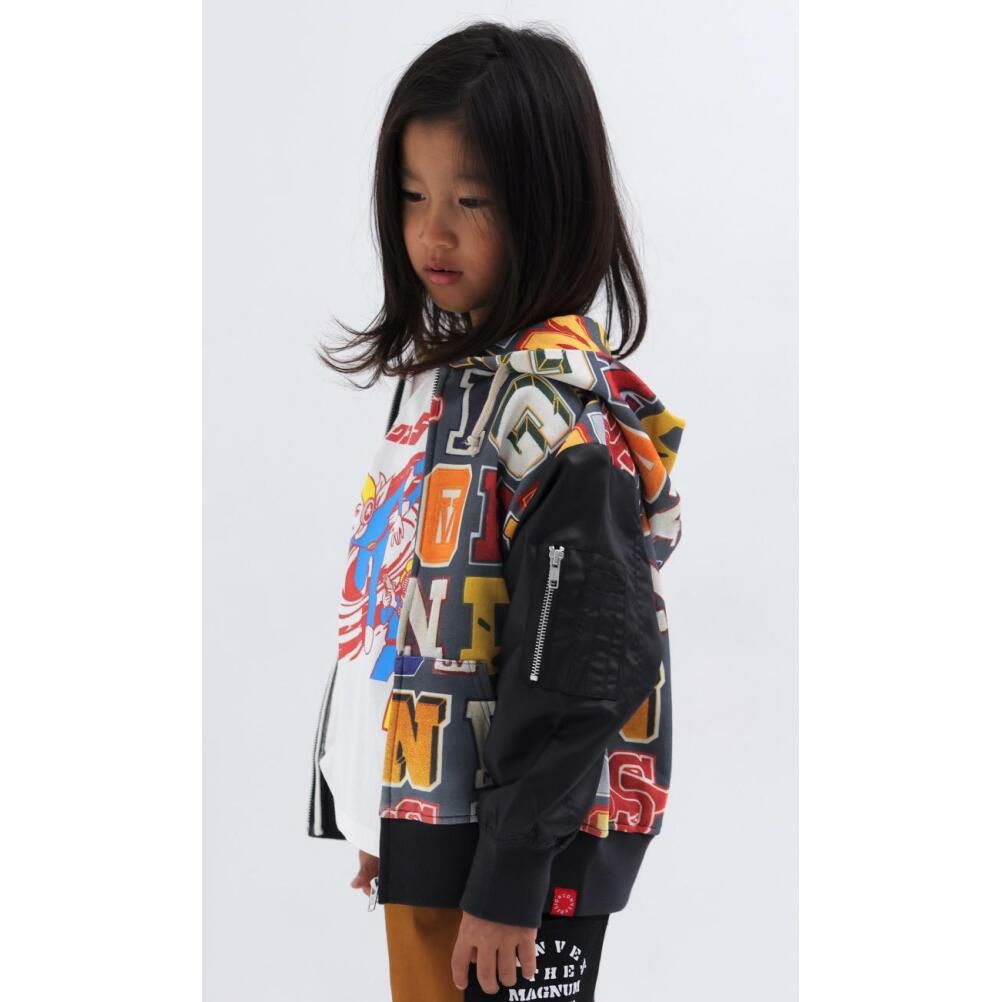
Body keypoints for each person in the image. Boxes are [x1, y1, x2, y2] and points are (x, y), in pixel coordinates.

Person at [306, 20, 685, 1001]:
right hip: (446, 835)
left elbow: (587, 659)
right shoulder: (461, 384)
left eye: (471, 200)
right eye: (412, 195)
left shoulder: (555, 415)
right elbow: (406, 611)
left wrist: (513, 871)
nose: (432, 233)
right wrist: (391, 809)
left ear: (550, 205)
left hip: (515, 866)